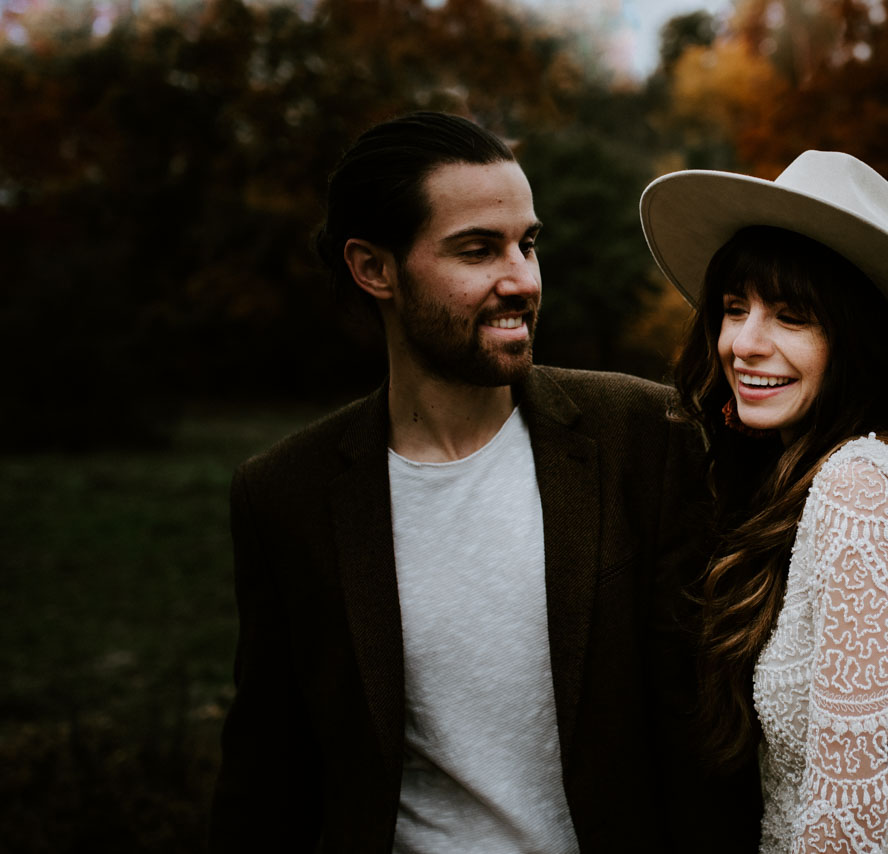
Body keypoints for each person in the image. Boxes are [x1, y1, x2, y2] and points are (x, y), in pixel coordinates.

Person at [209, 111, 761, 853]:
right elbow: (267, 779)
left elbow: (707, 746)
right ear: (374, 269)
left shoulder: (643, 437)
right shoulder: (286, 495)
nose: (522, 281)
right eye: (477, 251)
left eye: (527, 245)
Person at [639, 151, 888, 853]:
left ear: (853, 344)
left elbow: (848, 831)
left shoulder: (861, 492)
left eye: (792, 317)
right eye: (735, 308)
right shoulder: (872, 472)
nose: (745, 344)